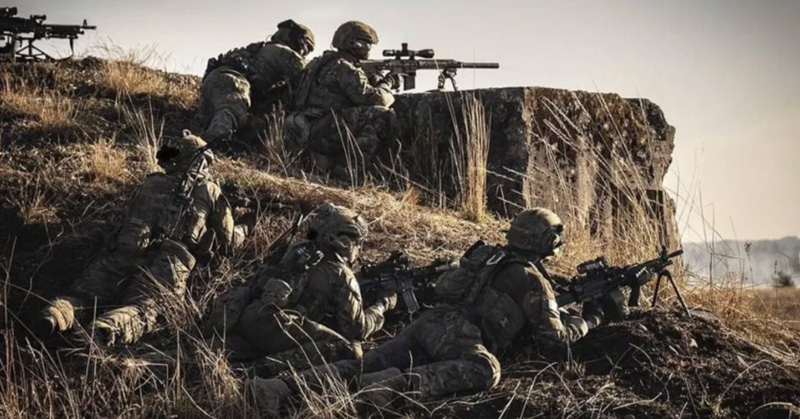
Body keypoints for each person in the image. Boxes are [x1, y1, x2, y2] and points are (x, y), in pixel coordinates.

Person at [246, 208, 626, 412]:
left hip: (429, 323)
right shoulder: (532, 281)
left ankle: (277, 389)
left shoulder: (487, 257)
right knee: (487, 369)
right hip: (463, 338)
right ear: (547, 243)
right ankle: (391, 388)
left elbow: (445, 287)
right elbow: (554, 339)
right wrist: (591, 318)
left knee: (366, 362)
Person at [40, 130, 251, 346]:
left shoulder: (151, 182)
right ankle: (105, 330)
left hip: (124, 250)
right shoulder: (209, 190)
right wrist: (244, 228)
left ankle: (56, 315)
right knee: (145, 309)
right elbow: (228, 242)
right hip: (168, 264)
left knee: (84, 296)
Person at [204, 203, 396, 371]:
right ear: (343, 242)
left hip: (252, 316)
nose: (359, 248)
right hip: (278, 327)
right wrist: (382, 306)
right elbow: (356, 330)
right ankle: (264, 368)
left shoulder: (296, 249)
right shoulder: (341, 275)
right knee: (350, 350)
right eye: (357, 243)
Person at [284, 20, 399, 180]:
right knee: (379, 114)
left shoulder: (321, 62)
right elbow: (376, 100)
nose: (369, 49)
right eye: (367, 43)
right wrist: (388, 83)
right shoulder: (344, 67)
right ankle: (348, 174)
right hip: (318, 130)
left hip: (305, 127)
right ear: (355, 43)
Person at [200, 19, 315, 145]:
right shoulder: (284, 53)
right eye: (307, 48)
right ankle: (207, 146)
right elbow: (307, 75)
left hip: (216, 79)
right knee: (231, 113)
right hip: (233, 82)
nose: (305, 53)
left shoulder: (264, 49)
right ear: (300, 42)